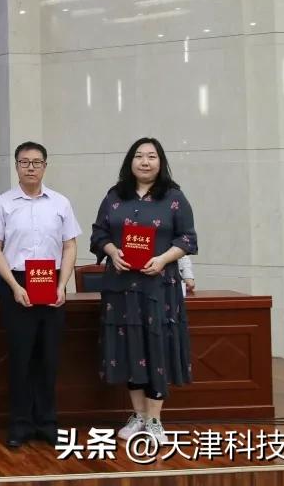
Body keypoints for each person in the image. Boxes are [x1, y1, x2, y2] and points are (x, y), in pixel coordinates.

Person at [90, 137, 198, 445]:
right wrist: (112, 252)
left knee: (156, 347)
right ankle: (138, 415)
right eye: (139, 156)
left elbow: (188, 239)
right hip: (121, 288)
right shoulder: (114, 196)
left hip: (158, 287)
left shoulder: (174, 197)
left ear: (160, 162)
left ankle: (154, 420)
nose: (145, 162)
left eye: (152, 156)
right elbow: (98, 234)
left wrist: (163, 259)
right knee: (129, 348)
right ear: (130, 162)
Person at [0, 141, 80, 450]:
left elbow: (70, 246)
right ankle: (20, 423)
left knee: (48, 358)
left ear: (45, 166)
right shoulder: (3, 204)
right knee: (20, 358)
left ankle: (47, 423)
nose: (31, 168)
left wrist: (62, 285)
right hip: (18, 283)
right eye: (24, 162)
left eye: (37, 162)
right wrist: (14, 286)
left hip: (52, 282)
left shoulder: (60, 203)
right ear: (16, 167)